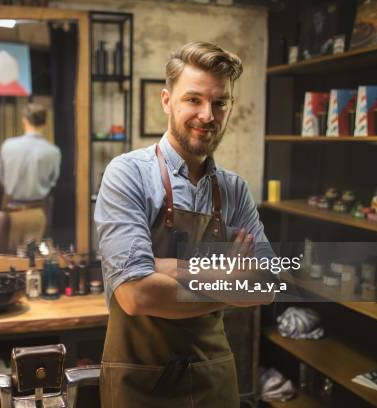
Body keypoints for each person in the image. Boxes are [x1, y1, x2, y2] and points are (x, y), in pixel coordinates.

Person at [94, 42, 277, 407]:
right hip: (140, 383)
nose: (207, 115)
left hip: (214, 379)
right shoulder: (127, 174)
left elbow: (266, 286)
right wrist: (227, 278)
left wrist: (168, 268)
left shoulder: (234, 190)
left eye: (219, 102)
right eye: (193, 100)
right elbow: (136, 295)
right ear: (167, 100)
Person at [0, 102, 61, 250]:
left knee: (8, 258)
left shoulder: (7, 145)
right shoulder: (53, 151)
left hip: (10, 211)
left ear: (24, 120)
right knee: (36, 258)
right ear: (45, 123)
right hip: (39, 212)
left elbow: (1, 176)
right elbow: (53, 180)